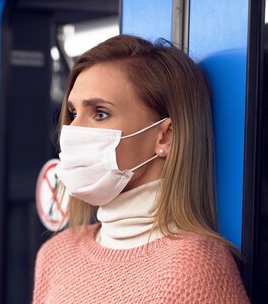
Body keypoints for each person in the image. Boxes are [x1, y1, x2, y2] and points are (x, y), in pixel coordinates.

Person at [32, 35, 249, 303]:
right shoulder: (56, 254)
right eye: (74, 113)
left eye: (100, 113)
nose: (72, 130)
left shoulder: (194, 267)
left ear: (164, 137)